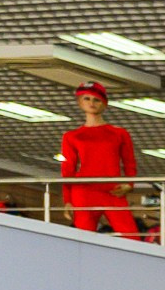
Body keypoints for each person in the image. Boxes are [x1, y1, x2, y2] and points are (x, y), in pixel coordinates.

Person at [58, 81, 142, 237]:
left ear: (104, 103)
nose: (91, 103)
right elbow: (68, 169)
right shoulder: (72, 136)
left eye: (96, 99)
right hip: (84, 191)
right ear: (80, 102)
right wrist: (68, 200)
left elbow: (129, 162)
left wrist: (129, 184)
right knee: (84, 239)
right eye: (87, 99)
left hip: (113, 190)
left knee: (132, 237)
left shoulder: (119, 133)